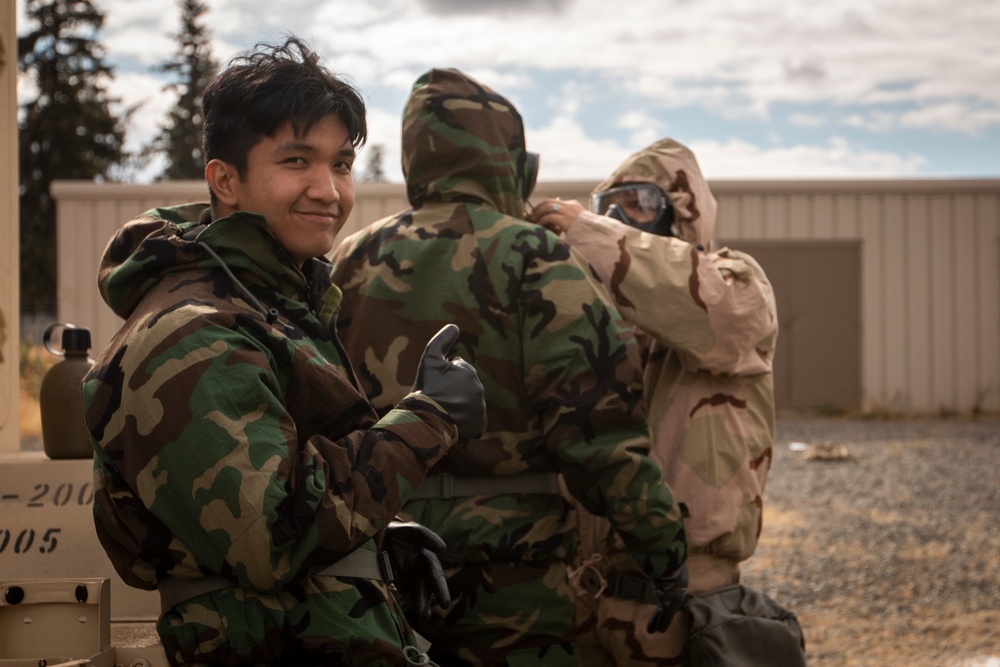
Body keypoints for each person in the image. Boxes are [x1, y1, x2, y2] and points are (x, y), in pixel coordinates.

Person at [81, 38, 486, 667]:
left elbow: (279, 478)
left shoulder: (267, 302)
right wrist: (427, 419)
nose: (327, 189)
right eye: (296, 160)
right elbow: (268, 538)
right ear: (226, 180)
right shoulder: (191, 332)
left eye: (342, 163)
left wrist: (370, 543)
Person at [329, 68, 688, 667]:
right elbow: (599, 436)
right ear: (506, 157)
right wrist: (664, 549)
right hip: (512, 580)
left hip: (380, 565)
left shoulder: (351, 259)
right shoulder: (538, 258)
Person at [526, 137, 779, 666]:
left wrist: (585, 229)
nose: (620, 217)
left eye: (639, 203)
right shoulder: (596, 311)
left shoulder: (738, 283)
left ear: (684, 215)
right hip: (581, 594)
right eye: (608, 206)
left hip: (685, 602)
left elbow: (702, 307)